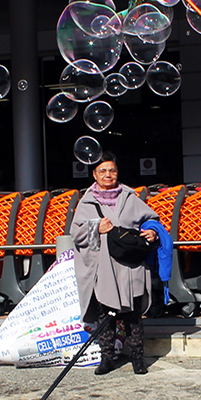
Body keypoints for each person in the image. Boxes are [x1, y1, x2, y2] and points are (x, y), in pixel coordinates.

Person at [72, 152, 160, 375]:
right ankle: (107, 358)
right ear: (94, 174)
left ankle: (138, 358)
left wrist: (151, 231)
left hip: (131, 266)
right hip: (104, 267)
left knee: (133, 314)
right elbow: (76, 235)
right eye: (102, 171)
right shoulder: (86, 201)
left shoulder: (130, 196)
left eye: (112, 170)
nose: (108, 175)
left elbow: (151, 219)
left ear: (117, 172)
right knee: (105, 314)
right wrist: (95, 228)